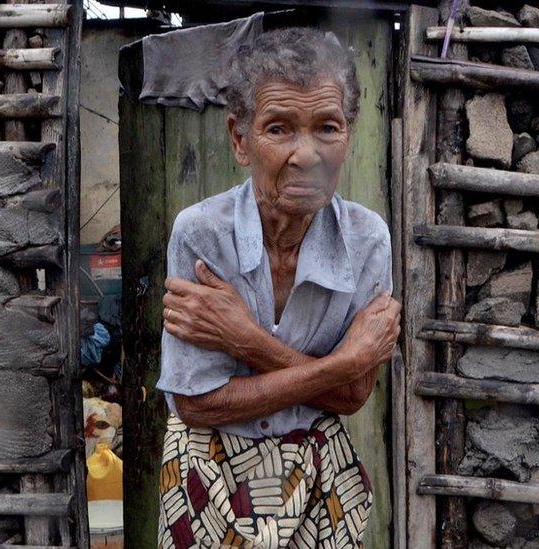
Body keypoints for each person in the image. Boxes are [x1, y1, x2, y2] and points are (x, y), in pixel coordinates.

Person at [155, 26, 401, 548]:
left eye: (327, 128)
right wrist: (342, 364)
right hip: (209, 473)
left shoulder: (367, 240)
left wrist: (246, 342)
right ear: (240, 140)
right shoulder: (201, 234)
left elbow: (355, 397)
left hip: (320, 479)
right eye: (279, 129)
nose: (306, 154)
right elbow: (197, 405)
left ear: (349, 135)